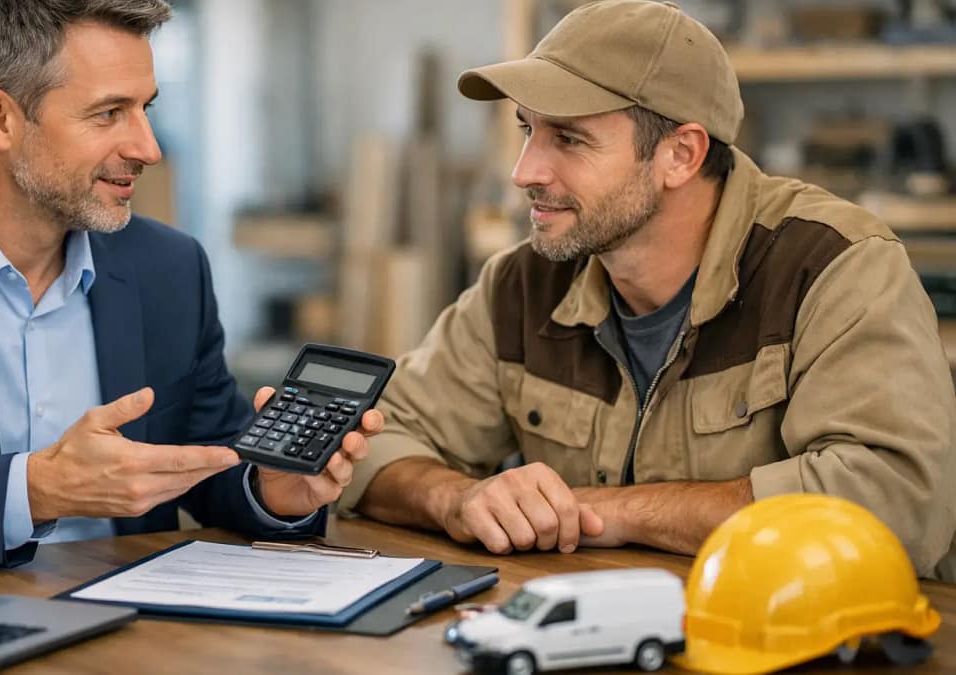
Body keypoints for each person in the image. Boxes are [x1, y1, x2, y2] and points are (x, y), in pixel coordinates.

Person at [338, 0, 956, 581]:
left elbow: (897, 503)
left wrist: (605, 511)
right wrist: (457, 499)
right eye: (528, 130)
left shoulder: (833, 268)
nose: (525, 171)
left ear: (680, 155)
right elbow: (364, 442)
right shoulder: (523, 284)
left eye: (568, 139)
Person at [0, 0, 380, 568]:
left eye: (145, 109)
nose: (149, 147)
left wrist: (272, 491)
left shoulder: (170, 269)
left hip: (143, 633)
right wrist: (34, 490)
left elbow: (209, 464)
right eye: (109, 113)